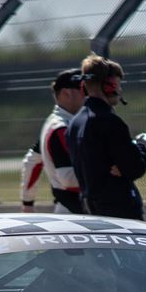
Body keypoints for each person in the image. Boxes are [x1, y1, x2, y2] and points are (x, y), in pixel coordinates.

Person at [67, 53, 146, 220]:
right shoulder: (110, 122)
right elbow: (134, 167)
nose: (119, 90)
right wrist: (140, 146)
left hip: (89, 210)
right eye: (118, 84)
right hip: (119, 212)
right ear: (109, 85)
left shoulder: (74, 124)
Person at [19, 68, 86, 213]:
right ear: (66, 93)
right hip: (78, 213)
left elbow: (32, 161)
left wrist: (27, 202)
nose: (88, 93)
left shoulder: (53, 123)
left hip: (69, 209)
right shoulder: (62, 128)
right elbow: (69, 179)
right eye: (83, 89)